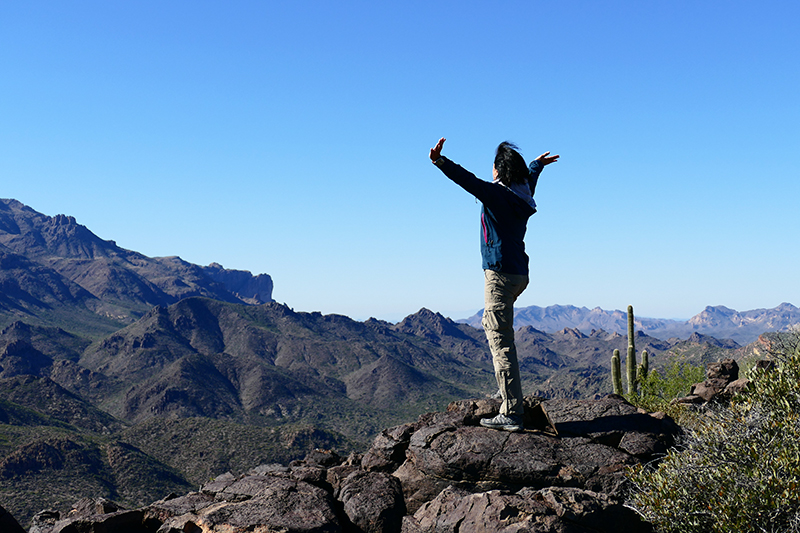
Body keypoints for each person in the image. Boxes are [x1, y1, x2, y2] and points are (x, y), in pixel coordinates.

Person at [429, 137, 559, 432]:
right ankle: (509, 395)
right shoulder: (522, 194)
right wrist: (537, 165)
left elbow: (467, 181)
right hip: (519, 274)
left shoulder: (497, 194)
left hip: (499, 275)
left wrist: (439, 161)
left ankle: (512, 412)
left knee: (500, 343)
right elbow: (530, 177)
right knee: (502, 338)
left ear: (498, 171)